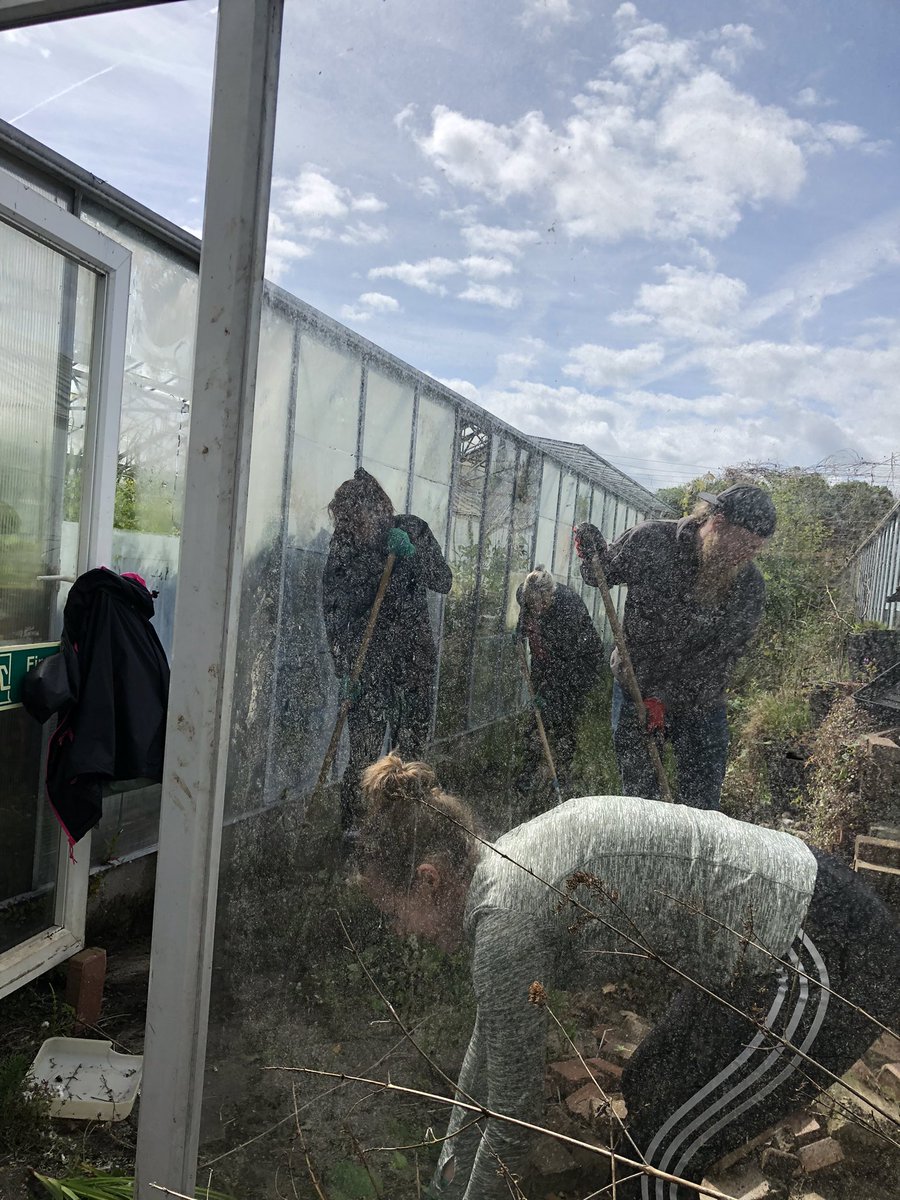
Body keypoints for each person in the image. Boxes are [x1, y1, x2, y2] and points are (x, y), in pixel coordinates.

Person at [356, 754, 900, 1200]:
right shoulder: (498, 868)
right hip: (798, 911)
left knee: (662, 1158)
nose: (402, 932)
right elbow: (492, 1043)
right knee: (652, 1083)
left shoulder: (505, 921)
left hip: (822, 953)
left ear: (428, 880)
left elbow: (512, 1115)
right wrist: (444, 1178)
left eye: (392, 914)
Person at [575, 484, 777, 810]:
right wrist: (591, 554)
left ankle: (690, 855)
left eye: (755, 550)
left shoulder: (748, 585)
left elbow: (723, 657)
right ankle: (644, 853)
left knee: (702, 805)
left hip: (701, 703)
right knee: (641, 800)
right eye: (743, 544)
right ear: (718, 522)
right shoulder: (651, 540)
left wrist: (666, 699)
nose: (746, 556)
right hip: (636, 691)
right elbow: (602, 573)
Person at [322, 469, 452, 830]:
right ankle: (354, 834)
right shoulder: (344, 546)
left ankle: (403, 832)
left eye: (356, 517)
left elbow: (443, 580)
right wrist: (344, 670)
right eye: (346, 520)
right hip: (367, 669)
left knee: (409, 757)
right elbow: (333, 609)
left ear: (378, 508)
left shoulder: (411, 529)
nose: (352, 526)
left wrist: (411, 555)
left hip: (414, 664)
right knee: (363, 757)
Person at [515, 566, 604, 800]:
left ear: (551, 596)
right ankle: (529, 770)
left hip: (579, 665)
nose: (538, 609)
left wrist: (546, 690)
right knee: (536, 719)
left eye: (542, 604)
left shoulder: (568, 609)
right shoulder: (524, 595)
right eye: (533, 604)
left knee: (563, 717)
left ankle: (562, 774)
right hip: (546, 660)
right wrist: (519, 635)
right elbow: (526, 628)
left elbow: (563, 660)